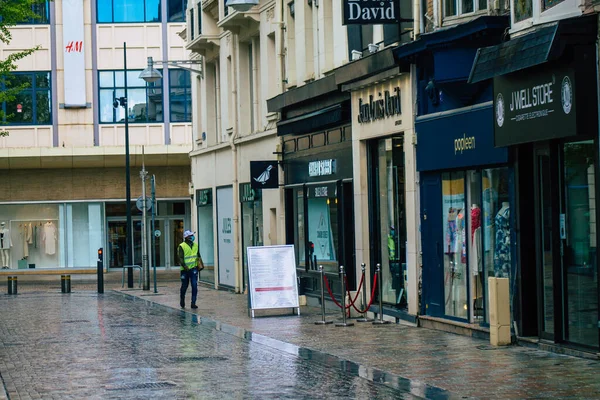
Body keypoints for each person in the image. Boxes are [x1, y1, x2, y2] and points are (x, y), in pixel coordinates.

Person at [178, 230, 204, 309]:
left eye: (192, 235)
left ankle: (193, 303)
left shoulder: (195, 245)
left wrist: (200, 265)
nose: (192, 236)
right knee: (184, 286)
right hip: (185, 270)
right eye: (191, 235)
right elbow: (180, 258)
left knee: (194, 285)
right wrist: (185, 267)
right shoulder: (182, 246)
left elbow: (198, 256)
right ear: (187, 237)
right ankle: (182, 300)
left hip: (193, 269)